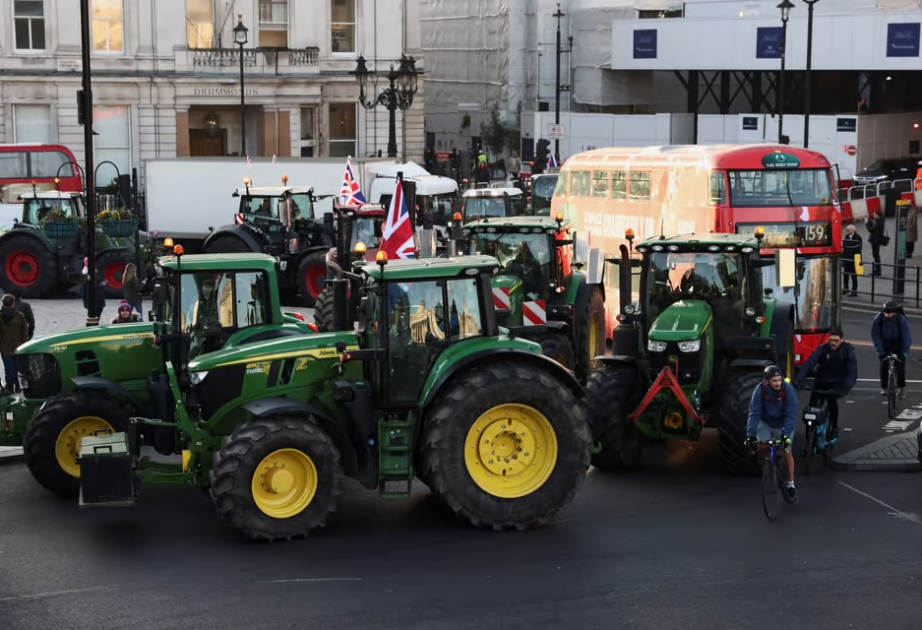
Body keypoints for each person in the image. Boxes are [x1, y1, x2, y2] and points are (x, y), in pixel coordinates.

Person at [745, 365, 799, 504]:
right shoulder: (759, 391)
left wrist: (786, 435)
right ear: (767, 381)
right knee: (762, 447)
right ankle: (771, 462)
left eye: (779, 380)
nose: (778, 383)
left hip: (782, 424)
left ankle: (790, 484)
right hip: (766, 422)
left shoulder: (788, 391)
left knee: (787, 450)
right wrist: (750, 435)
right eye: (774, 381)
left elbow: (791, 415)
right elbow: (754, 414)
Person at [793, 327, 858, 441]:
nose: (833, 343)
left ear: (841, 340)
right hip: (821, 381)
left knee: (831, 402)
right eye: (831, 340)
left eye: (836, 340)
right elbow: (810, 363)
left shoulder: (848, 351)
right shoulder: (823, 349)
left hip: (837, 384)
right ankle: (810, 435)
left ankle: (833, 427)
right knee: (812, 407)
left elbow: (852, 373)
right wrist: (798, 380)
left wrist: (845, 388)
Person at [871, 301, 912, 399]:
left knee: (900, 367)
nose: (887, 315)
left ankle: (901, 387)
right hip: (885, 345)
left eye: (889, 313)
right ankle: (884, 387)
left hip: (898, 345)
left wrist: (905, 351)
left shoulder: (901, 320)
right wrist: (880, 350)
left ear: (895, 313)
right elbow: (875, 335)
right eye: (885, 312)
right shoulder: (878, 319)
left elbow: (906, 336)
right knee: (884, 365)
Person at [0, 294, 29, 392]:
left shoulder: (0, 316)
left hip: (5, 346)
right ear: (13, 302)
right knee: (18, 367)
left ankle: (9, 386)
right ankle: (18, 386)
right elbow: (24, 333)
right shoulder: (20, 316)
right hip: (18, 346)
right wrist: (25, 345)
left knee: (8, 368)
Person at [842, 224, 863, 297]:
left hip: (854, 259)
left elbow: (858, 249)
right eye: (847, 230)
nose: (847, 231)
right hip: (847, 259)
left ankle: (854, 290)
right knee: (845, 275)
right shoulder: (846, 237)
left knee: (853, 276)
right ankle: (846, 288)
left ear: (853, 230)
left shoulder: (858, 237)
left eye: (848, 230)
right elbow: (845, 248)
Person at [866, 213, 886, 277]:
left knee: (876, 255)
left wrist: (866, 223)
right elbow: (873, 226)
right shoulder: (879, 221)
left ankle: (878, 270)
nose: (874, 215)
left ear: (878, 215)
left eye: (875, 214)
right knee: (875, 255)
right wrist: (869, 221)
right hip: (875, 240)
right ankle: (876, 269)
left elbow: (871, 229)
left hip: (876, 240)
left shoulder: (879, 222)